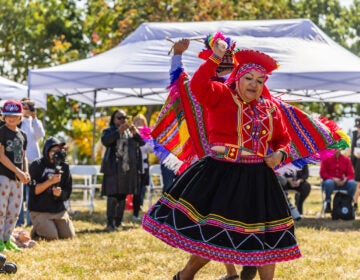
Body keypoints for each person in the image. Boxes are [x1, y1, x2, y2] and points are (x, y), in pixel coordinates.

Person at [143, 37, 302, 279]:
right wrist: (215, 57)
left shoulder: (270, 108)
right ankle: (185, 275)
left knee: (266, 239)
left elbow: (282, 139)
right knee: (213, 234)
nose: (254, 84)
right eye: (249, 78)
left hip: (259, 178)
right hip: (222, 172)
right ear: (237, 79)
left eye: (260, 81)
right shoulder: (220, 95)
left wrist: (280, 153)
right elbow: (197, 85)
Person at [100, 109, 145, 231]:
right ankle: (110, 223)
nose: (123, 120)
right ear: (114, 119)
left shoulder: (130, 132)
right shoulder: (108, 131)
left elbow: (142, 142)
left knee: (122, 196)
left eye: (125, 118)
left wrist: (135, 133)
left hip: (127, 169)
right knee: (113, 195)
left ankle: (118, 222)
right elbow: (105, 141)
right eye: (119, 118)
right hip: (113, 168)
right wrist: (118, 131)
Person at [28, 136, 75, 240]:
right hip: (40, 210)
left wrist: (60, 194)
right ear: (46, 151)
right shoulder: (36, 165)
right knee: (52, 237)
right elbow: (35, 190)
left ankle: (50, 226)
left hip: (58, 211)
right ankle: (36, 230)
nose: (56, 154)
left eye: (59, 151)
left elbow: (67, 192)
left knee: (69, 237)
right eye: (53, 151)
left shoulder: (65, 167)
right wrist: (50, 181)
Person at [0, 100, 31, 252]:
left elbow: (24, 156)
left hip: (18, 178)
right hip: (3, 176)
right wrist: (17, 171)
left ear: (20, 117)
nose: (10, 118)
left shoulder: (23, 135)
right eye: (7, 115)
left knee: (15, 209)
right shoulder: (1, 131)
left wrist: (26, 172)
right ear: (3, 117)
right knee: (1, 208)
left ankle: (7, 238)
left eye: (14, 115)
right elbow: (1, 156)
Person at [16, 98, 45, 227]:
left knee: (31, 192)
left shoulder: (34, 122)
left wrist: (34, 118)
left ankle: (31, 220)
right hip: (19, 160)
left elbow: (40, 135)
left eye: (28, 107)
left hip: (33, 160)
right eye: (23, 107)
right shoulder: (17, 121)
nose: (25, 110)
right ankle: (19, 220)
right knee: (19, 192)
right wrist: (21, 116)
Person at [320, 148, 357, 213]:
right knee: (329, 183)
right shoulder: (326, 159)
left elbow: (351, 174)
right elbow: (322, 173)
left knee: (352, 183)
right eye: (334, 148)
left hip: (343, 183)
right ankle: (328, 203)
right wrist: (333, 178)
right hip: (330, 184)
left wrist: (346, 179)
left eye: (338, 148)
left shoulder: (346, 160)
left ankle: (348, 202)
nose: (336, 150)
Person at [132, 114, 153, 222]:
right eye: (137, 121)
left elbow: (150, 148)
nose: (139, 123)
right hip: (133, 165)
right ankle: (134, 209)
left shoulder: (147, 134)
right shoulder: (130, 133)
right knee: (135, 189)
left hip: (143, 165)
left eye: (142, 121)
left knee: (142, 188)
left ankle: (138, 207)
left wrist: (142, 144)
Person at [351, 117, 360, 211]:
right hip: (356, 163)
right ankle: (355, 203)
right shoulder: (354, 134)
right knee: (356, 183)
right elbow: (352, 148)